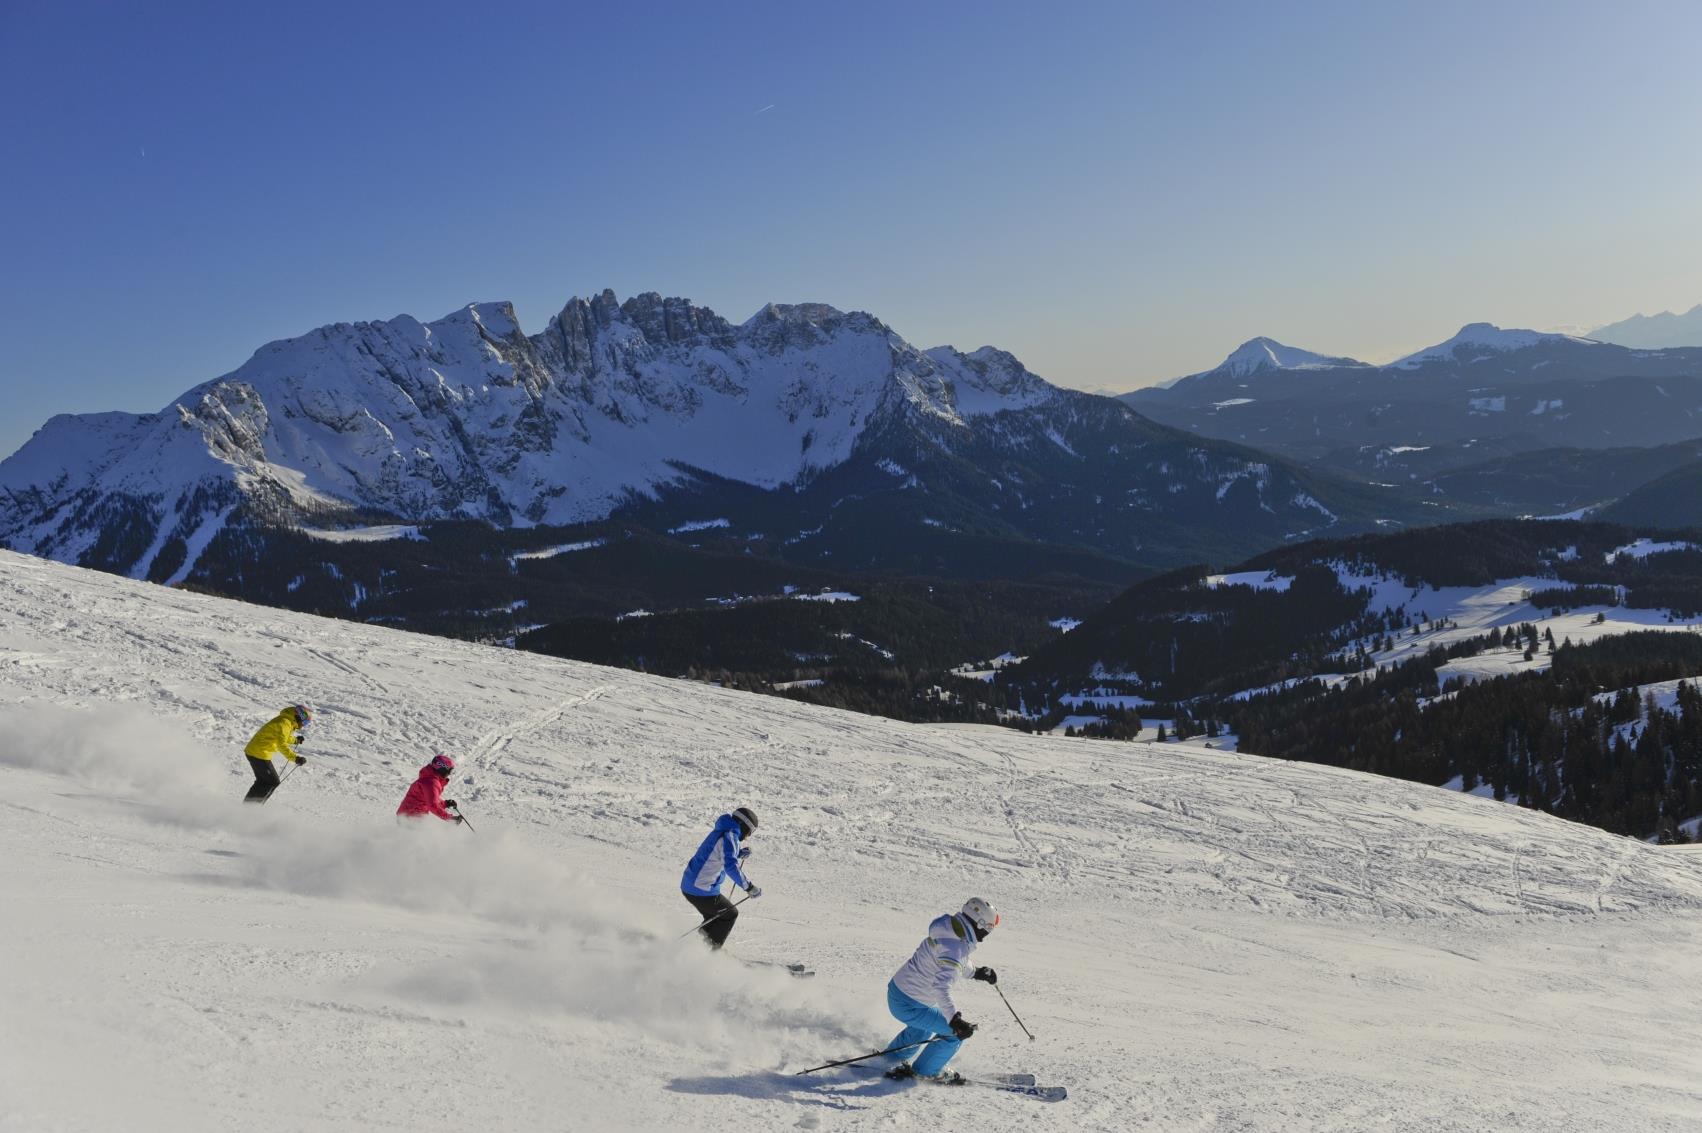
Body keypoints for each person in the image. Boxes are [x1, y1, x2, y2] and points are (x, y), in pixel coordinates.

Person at [883, 897, 1001, 1085]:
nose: (987, 934)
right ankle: (925, 1072)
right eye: (988, 928)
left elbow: (952, 959)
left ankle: (889, 1059)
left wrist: (977, 973)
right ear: (979, 924)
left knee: (922, 1029)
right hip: (910, 1005)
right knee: (953, 1034)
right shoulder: (956, 947)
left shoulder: (949, 928)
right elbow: (941, 987)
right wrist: (955, 1020)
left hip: (898, 994)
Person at [680, 806, 760, 947]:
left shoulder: (724, 830)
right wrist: (749, 887)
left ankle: (697, 948)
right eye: (748, 832)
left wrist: (738, 853)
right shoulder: (730, 836)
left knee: (713, 917)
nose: (747, 837)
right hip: (701, 888)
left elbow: (718, 853)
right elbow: (730, 866)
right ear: (742, 825)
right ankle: (711, 954)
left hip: (691, 884)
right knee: (730, 914)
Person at [242, 704, 311, 802]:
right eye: (305, 721)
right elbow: (281, 744)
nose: (304, 725)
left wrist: (295, 740)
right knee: (272, 782)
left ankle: (248, 808)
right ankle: (251, 809)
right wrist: (295, 758)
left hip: (256, 752)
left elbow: (282, 736)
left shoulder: (287, 721)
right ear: (299, 717)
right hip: (259, 753)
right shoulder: (284, 723)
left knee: (264, 782)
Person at [397, 754, 464, 823]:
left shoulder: (429, 778)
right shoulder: (431, 782)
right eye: (449, 770)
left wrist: (445, 803)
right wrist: (449, 818)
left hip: (410, 816)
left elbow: (429, 799)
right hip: (410, 818)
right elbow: (432, 805)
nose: (449, 774)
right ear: (443, 769)